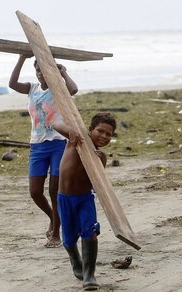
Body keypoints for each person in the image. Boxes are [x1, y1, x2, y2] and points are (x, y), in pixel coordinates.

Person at [9, 54, 78, 248]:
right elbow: (12, 83)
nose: (40, 74)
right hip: (37, 145)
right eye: (38, 70)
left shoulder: (58, 89)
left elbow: (73, 89)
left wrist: (63, 72)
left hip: (57, 143)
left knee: (55, 190)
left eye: (44, 70)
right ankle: (54, 218)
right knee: (35, 192)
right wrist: (21, 58)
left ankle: (56, 233)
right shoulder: (32, 89)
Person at [53, 112, 116, 291]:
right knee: (68, 238)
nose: (103, 136)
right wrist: (70, 131)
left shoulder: (101, 156)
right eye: (100, 131)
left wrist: (97, 161)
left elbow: (98, 182)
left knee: (90, 232)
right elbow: (56, 121)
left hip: (84, 198)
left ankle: (89, 274)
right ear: (90, 130)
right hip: (64, 198)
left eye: (108, 134)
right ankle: (75, 260)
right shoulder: (76, 140)